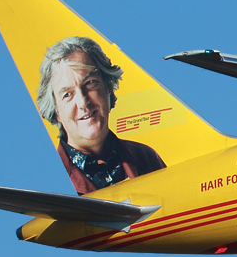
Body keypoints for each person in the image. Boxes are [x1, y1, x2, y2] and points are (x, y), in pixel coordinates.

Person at [35, 36, 166, 195]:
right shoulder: (54, 178)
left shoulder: (145, 157)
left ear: (108, 88)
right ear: (56, 113)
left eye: (90, 83)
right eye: (68, 94)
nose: (83, 102)